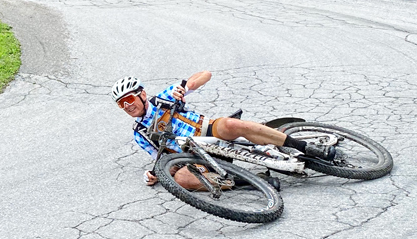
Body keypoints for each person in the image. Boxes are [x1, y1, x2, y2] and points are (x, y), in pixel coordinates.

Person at [112, 71, 334, 189]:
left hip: (206, 130)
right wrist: (155, 174)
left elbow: (205, 74)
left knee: (230, 124)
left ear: (142, 94)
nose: (128, 106)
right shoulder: (139, 133)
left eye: (129, 99)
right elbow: (160, 160)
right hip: (193, 154)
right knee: (182, 179)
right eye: (122, 104)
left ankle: (305, 147)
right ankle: (249, 182)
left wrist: (184, 87)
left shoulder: (164, 98)